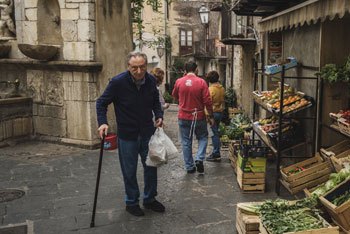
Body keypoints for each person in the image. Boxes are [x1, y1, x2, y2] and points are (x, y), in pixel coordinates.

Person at [96, 51, 165, 217]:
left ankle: (149, 199)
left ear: (146, 66)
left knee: (151, 167)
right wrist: (103, 122)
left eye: (142, 67)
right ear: (128, 67)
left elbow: (156, 101)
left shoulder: (150, 80)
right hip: (127, 135)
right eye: (135, 68)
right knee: (129, 170)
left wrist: (159, 115)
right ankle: (131, 202)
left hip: (148, 133)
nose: (139, 71)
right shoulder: (117, 82)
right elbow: (101, 103)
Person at [172, 61, 214, 174]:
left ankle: (189, 167)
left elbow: (174, 95)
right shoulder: (201, 82)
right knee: (203, 137)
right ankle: (199, 158)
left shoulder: (179, 81)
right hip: (199, 116)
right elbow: (207, 101)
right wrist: (210, 115)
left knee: (186, 141)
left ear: (185, 71)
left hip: (183, 116)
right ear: (196, 70)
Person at [205, 70, 225, 162]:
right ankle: (216, 152)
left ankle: (216, 153)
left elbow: (208, 103)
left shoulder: (210, 89)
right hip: (219, 112)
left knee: (214, 134)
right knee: (216, 132)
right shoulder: (221, 88)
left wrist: (208, 116)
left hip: (212, 113)